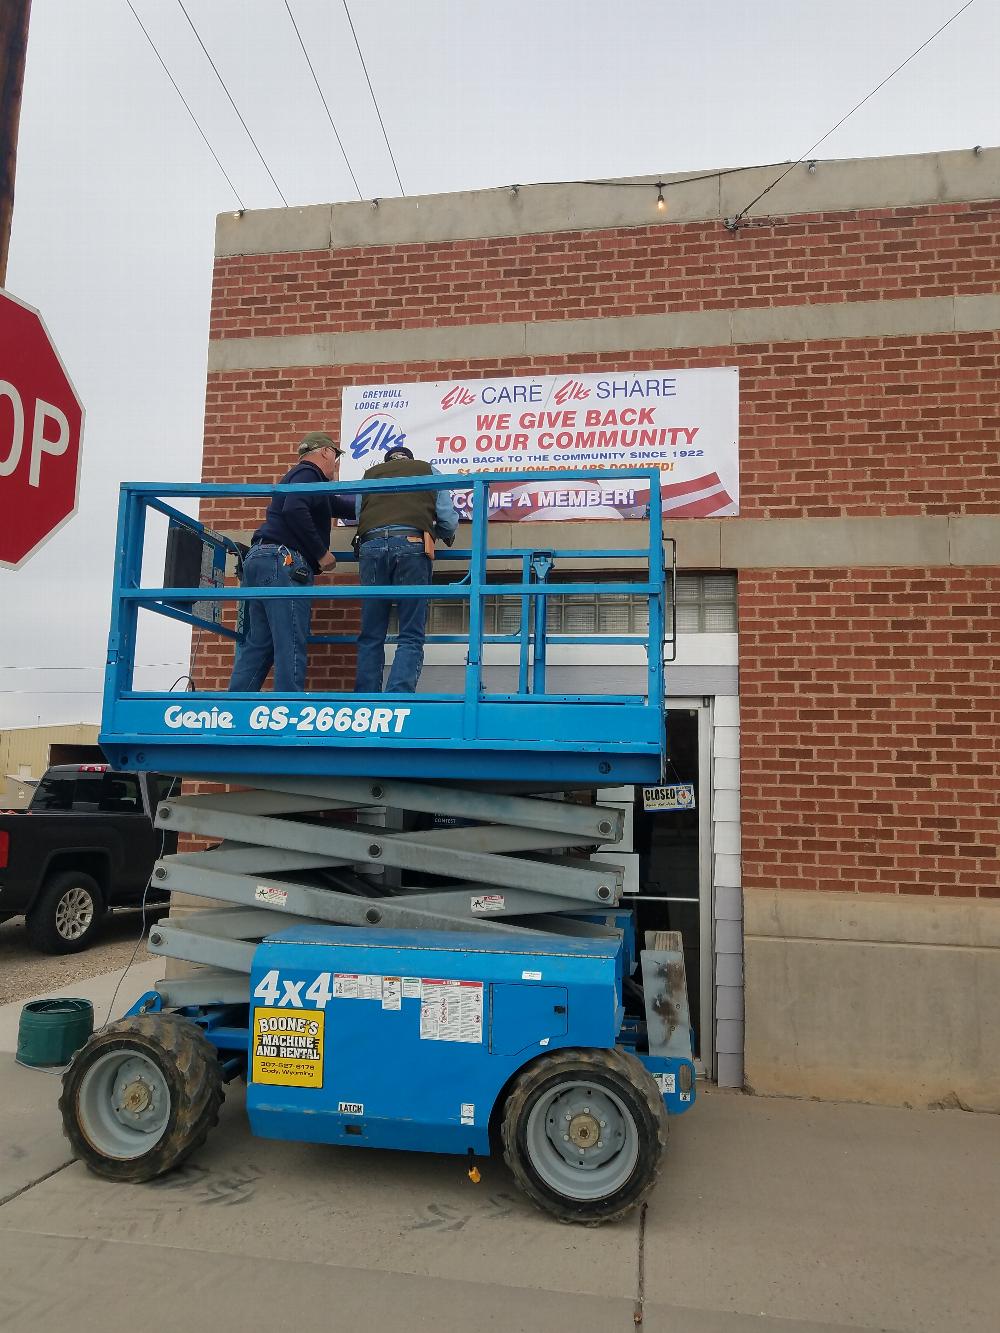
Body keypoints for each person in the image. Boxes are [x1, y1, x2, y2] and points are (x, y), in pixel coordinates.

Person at [228, 432, 354, 693]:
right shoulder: (308, 473)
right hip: (282, 561)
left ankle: (233, 709)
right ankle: (289, 710)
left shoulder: (309, 484)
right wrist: (321, 553)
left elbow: (341, 506)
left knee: (260, 644)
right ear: (326, 452)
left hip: (261, 559)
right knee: (290, 641)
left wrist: (379, 502)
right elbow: (294, 509)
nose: (335, 465)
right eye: (336, 458)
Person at [353, 445, 458, 694]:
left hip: (371, 546)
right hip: (411, 544)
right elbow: (447, 519)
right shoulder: (428, 470)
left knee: (371, 632)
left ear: (387, 461)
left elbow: (360, 515)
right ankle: (398, 696)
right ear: (410, 459)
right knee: (410, 631)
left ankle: (366, 697)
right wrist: (441, 534)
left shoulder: (369, 474)